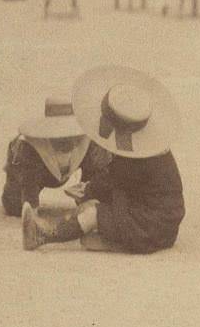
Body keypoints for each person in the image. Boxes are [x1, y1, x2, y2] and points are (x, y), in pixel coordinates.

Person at [22, 67, 183, 253]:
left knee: (92, 213)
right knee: (93, 225)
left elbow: (113, 180)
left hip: (150, 224)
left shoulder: (136, 158)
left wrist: (88, 191)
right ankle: (115, 241)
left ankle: (43, 235)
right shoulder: (149, 147)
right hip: (160, 222)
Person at [0, 96, 112, 218]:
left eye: (71, 133)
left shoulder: (89, 141)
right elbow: (28, 184)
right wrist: (32, 211)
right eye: (60, 136)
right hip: (30, 174)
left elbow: (99, 172)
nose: (67, 141)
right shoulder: (30, 146)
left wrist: (88, 199)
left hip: (64, 170)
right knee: (15, 206)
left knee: (95, 202)